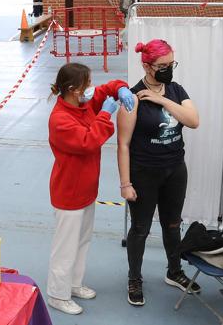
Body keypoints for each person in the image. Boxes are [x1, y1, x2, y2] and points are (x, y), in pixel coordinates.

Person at [117, 39, 200, 306]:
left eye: (171, 64)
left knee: (172, 224)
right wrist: (125, 183)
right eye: (162, 66)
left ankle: (174, 271)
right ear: (147, 65)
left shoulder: (175, 90)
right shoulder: (133, 97)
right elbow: (123, 144)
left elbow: (193, 121)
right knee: (140, 229)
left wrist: (161, 99)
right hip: (144, 172)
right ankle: (134, 279)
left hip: (175, 169)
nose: (168, 69)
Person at [47, 63, 134, 315]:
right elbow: (88, 141)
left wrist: (122, 89)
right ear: (74, 90)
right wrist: (105, 115)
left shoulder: (82, 103)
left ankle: (73, 284)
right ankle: (57, 294)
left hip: (86, 190)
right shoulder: (60, 119)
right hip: (68, 193)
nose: (91, 89)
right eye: (87, 84)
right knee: (65, 247)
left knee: (82, 241)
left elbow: (108, 88)